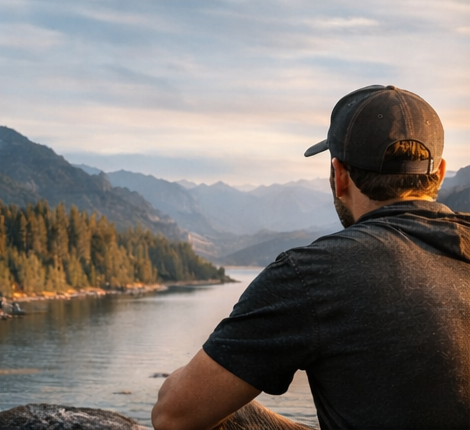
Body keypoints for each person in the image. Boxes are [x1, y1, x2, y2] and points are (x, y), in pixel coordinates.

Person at [151, 85, 470, 430]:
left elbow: (173, 416)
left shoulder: (313, 272)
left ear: (340, 175)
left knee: (235, 415)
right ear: (438, 173)